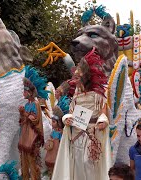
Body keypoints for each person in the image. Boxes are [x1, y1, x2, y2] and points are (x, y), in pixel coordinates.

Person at [52, 49, 111, 180]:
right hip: (77, 135)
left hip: (92, 133)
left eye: (78, 77)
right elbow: (71, 112)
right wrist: (67, 118)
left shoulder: (98, 95)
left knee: (89, 163)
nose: (75, 80)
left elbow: (103, 111)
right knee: (77, 163)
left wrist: (103, 121)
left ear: (85, 78)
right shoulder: (76, 96)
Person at [18, 67, 49, 180]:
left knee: (33, 160)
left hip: (32, 137)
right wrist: (22, 115)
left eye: (25, 91)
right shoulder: (27, 104)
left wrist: (24, 114)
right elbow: (23, 121)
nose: (23, 93)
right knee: (24, 160)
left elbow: (34, 119)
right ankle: (25, 177)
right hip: (25, 135)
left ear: (30, 92)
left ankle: (36, 177)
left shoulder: (35, 104)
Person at [44, 96, 70, 177]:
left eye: (54, 122)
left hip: (57, 151)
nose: (52, 123)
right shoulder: (53, 131)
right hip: (52, 151)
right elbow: (51, 137)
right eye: (52, 121)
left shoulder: (60, 132)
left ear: (59, 122)